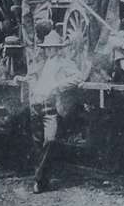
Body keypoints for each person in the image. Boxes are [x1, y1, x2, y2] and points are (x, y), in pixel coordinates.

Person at [27, 30, 82, 193]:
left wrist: (58, 86)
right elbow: (30, 76)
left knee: (50, 141)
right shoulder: (40, 63)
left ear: (58, 49)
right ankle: (42, 181)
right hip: (35, 105)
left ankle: (38, 179)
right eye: (47, 48)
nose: (49, 50)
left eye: (53, 48)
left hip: (50, 107)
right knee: (37, 145)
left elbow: (78, 77)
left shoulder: (64, 63)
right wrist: (32, 87)